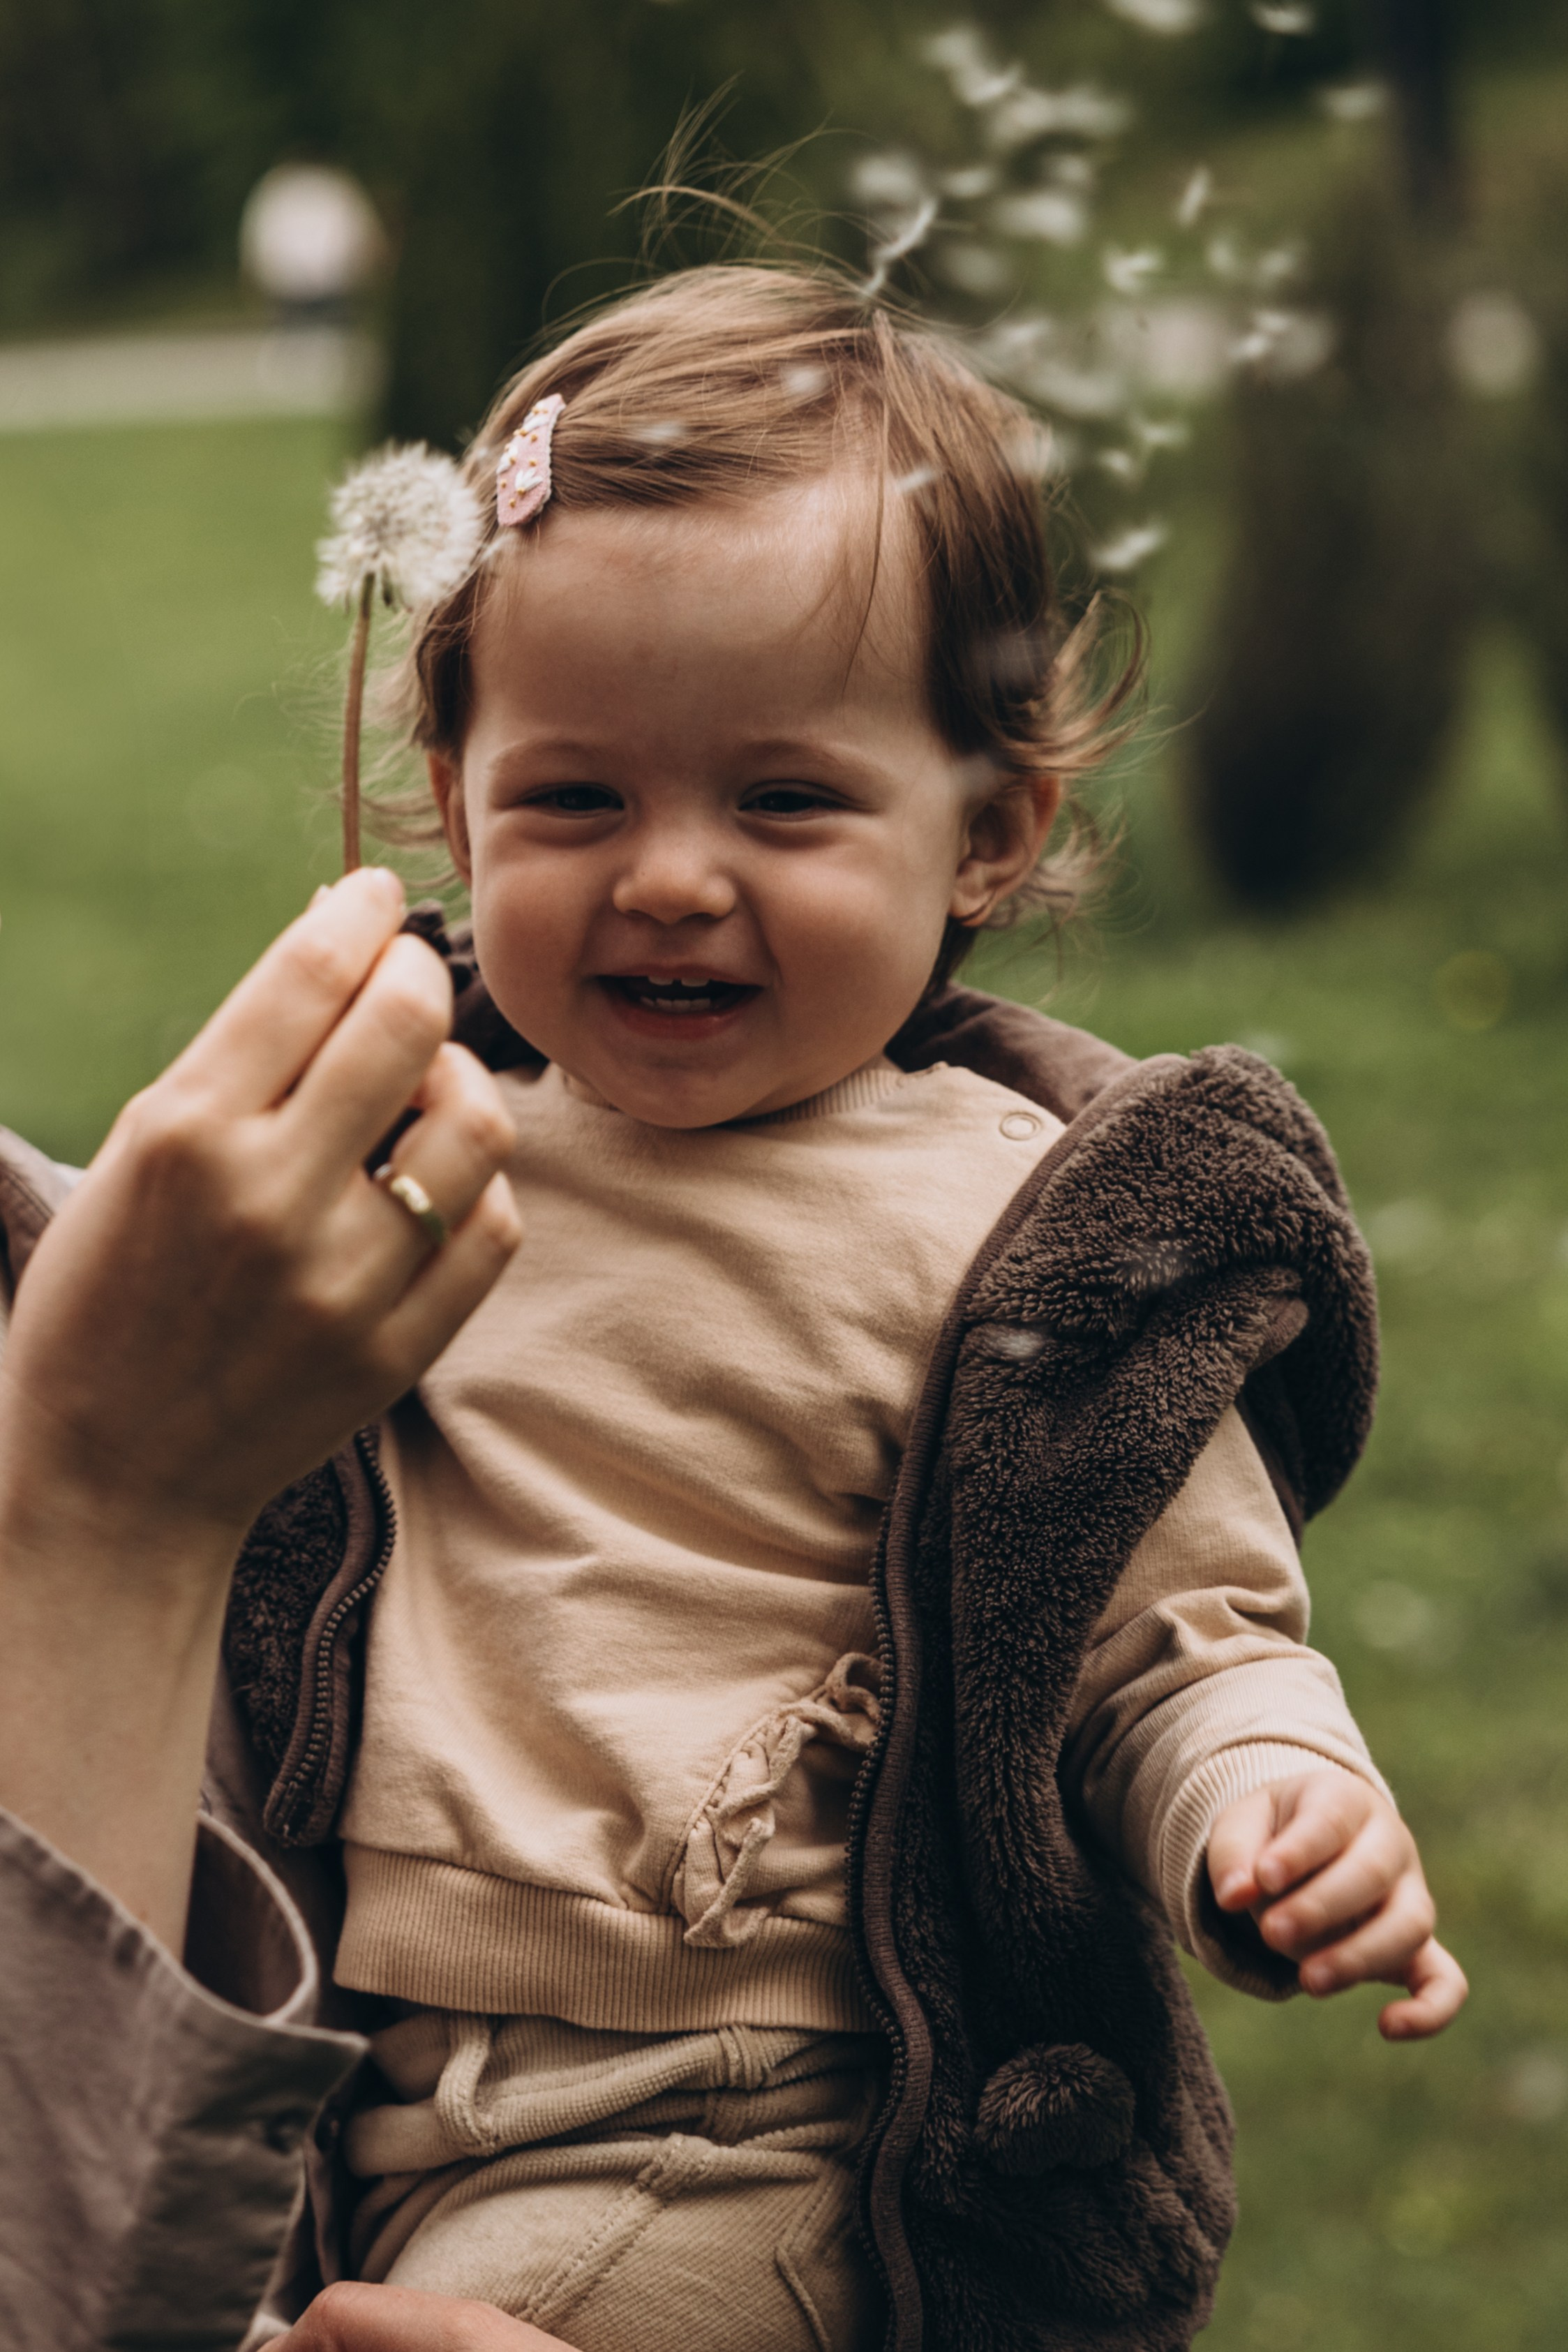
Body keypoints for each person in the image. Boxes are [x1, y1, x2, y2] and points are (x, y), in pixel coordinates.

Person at [0, 265, 1466, 2352]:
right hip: (376, 2085)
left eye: (782, 802)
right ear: (451, 776)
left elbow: (1176, 1631)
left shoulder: (1017, 1233)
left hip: (754, 2126)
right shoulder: (424, 1153)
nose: (670, 876)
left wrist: (1266, 1799)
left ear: (991, 826)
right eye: (578, 799)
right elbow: (171, 1423)